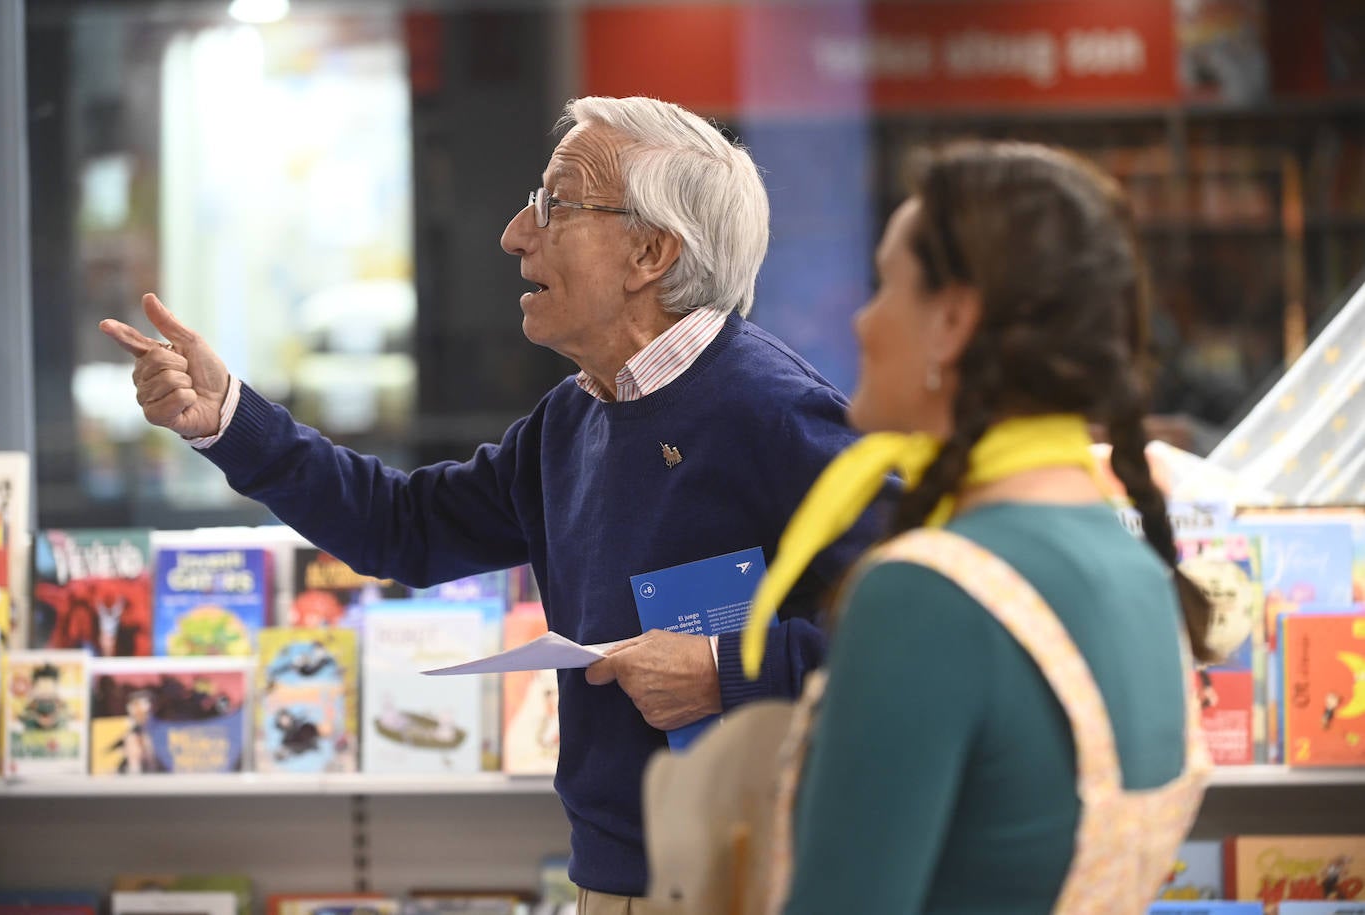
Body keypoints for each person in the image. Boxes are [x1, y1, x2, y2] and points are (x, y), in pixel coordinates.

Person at [99, 95, 880, 910]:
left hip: (753, 878)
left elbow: (909, 630)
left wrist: (728, 671)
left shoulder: (775, 411)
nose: (515, 232)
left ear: (649, 251)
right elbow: (404, 528)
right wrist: (227, 420)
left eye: (556, 203)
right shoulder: (573, 416)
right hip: (609, 878)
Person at [735, 141, 1216, 913]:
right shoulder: (1140, 573)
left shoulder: (926, 595)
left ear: (952, 321)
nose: (861, 320)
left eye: (885, 284)